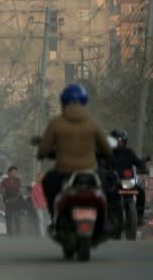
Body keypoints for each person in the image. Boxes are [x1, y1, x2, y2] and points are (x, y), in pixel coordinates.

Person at [38, 83, 112, 220]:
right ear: (84, 101)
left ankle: (53, 215)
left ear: (63, 101)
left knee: (48, 181)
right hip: (90, 171)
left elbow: (44, 148)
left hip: (64, 171)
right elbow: (106, 148)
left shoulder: (56, 123)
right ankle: (107, 217)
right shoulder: (92, 123)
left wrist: (43, 153)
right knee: (108, 185)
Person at [109, 129, 150, 222]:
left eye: (121, 141)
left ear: (125, 142)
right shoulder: (107, 153)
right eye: (117, 141)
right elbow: (100, 164)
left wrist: (144, 168)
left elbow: (138, 161)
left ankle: (139, 216)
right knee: (105, 194)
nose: (120, 144)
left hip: (126, 181)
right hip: (112, 182)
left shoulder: (129, 152)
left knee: (140, 191)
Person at [0, 166, 23, 237]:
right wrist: (6, 199)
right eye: (12, 172)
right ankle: (10, 234)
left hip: (16, 200)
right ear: (8, 172)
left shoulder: (18, 180)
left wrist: (16, 197)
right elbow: (2, 191)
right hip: (8, 200)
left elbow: (20, 190)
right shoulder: (4, 181)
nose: (14, 174)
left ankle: (18, 233)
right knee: (8, 218)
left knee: (17, 217)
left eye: (15, 172)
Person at [31, 173, 48, 238]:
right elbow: (33, 196)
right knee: (41, 220)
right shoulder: (36, 186)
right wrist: (35, 204)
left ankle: (45, 233)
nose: (41, 178)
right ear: (38, 178)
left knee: (46, 221)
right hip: (38, 206)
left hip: (46, 206)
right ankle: (42, 235)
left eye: (42, 177)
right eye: (40, 177)